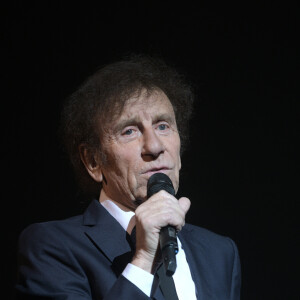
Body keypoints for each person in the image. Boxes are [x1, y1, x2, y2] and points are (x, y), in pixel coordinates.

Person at [15, 55, 241, 299]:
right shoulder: (52, 246)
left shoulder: (219, 253)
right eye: (129, 131)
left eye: (163, 126)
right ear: (93, 161)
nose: (154, 146)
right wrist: (144, 259)